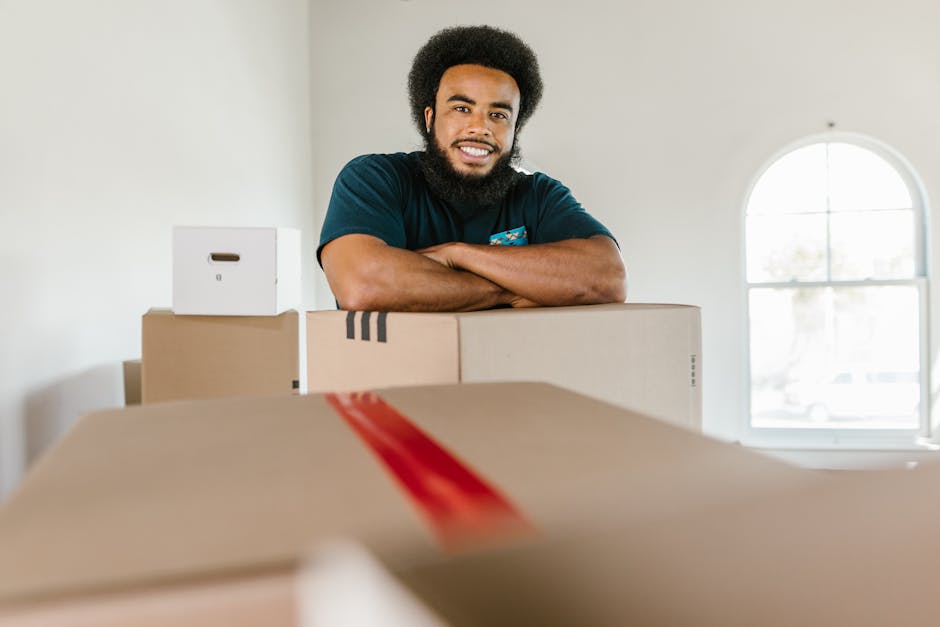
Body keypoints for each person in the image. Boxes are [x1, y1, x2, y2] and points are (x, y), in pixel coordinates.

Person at [318, 25, 626, 312]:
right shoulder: (376, 180)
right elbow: (363, 285)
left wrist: (458, 254)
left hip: (514, 369)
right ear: (429, 118)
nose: (480, 127)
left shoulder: (537, 195)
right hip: (395, 369)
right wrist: (509, 292)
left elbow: (608, 278)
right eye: (462, 109)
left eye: (498, 114)